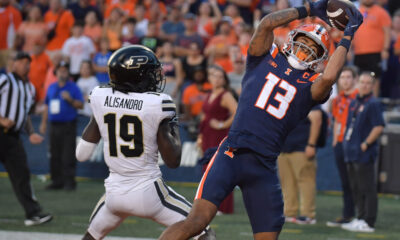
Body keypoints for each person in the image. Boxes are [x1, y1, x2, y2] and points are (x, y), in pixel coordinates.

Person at [158, 0, 364, 239]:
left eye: (313, 49)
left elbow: (328, 79)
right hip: (231, 154)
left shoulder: (312, 85)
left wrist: (347, 37)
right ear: (291, 39)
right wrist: (306, 10)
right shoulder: (262, 59)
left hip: (263, 166)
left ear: (320, 59)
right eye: (303, 42)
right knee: (196, 221)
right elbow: (266, 24)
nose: (305, 50)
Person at [75, 45, 215, 240]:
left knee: (92, 235)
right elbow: (173, 161)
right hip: (149, 193)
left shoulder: (100, 96)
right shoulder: (157, 104)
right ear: (136, 76)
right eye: (149, 73)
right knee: (202, 229)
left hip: (114, 196)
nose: (154, 78)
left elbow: (81, 154)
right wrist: (170, 124)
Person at [0, 52, 52, 226]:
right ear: (13, 64)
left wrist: (30, 133)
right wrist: (1, 119)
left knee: (21, 174)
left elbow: (26, 114)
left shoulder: (30, 87)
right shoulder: (6, 80)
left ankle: (33, 214)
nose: (25, 65)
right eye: (21, 62)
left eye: (27, 62)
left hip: (13, 137)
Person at [341, 72, 384, 233]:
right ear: (357, 83)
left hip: (363, 152)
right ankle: (360, 217)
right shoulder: (354, 101)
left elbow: (379, 126)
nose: (364, 85)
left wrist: (366, 143)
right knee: (356, 187)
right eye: (362, 82)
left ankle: (369, 221)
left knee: (367, 188)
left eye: (368, 83)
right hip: (351, 151)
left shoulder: (373, 103)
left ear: (372, 86)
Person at [198, 65, 237, 215]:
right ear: (209, 78)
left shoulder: (225, 94)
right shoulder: (209, 94)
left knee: (220, 169)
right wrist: (200, 136)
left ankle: (222, 206)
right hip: (207, 134)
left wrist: (223, 124)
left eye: (220, 76)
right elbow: (203, 115)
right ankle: (208, 203)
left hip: (220, 136)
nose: (217, 79)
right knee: (207, 168)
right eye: (214, 76)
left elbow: (237, 112)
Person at [40, 61, 84, 191]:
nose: (62, 73)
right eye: (60, 70)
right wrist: (43, 123)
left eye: (65, 71)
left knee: (68, 154)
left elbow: (80, 105)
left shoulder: (73, 87)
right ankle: (56, 181)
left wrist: (70, 99)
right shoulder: (51, 87)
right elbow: (46, 106)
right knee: (54, 154)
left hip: (68, 125)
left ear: (68, 73)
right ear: (56, 72)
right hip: (54, 125)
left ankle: (69, 182)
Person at [278, 105, 324, 225]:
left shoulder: (308, 97)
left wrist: (312, 144)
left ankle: (308, 214)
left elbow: (316, 119)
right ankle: (289, 212)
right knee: (286, 182)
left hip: (301, 146)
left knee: (305, 181)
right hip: (283, 146)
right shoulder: (287, 98)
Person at [326, 66, 358, 227]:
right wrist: (335, 142)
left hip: (355, 144)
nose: (345, 80)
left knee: (358, 181)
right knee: (345, 182)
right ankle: (348, 214)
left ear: (354, 80)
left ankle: (362, 216)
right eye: (343, 77)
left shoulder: (359, 97)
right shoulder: (336, 100)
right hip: (340, 143)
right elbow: (337, 120)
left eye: (348, 77)